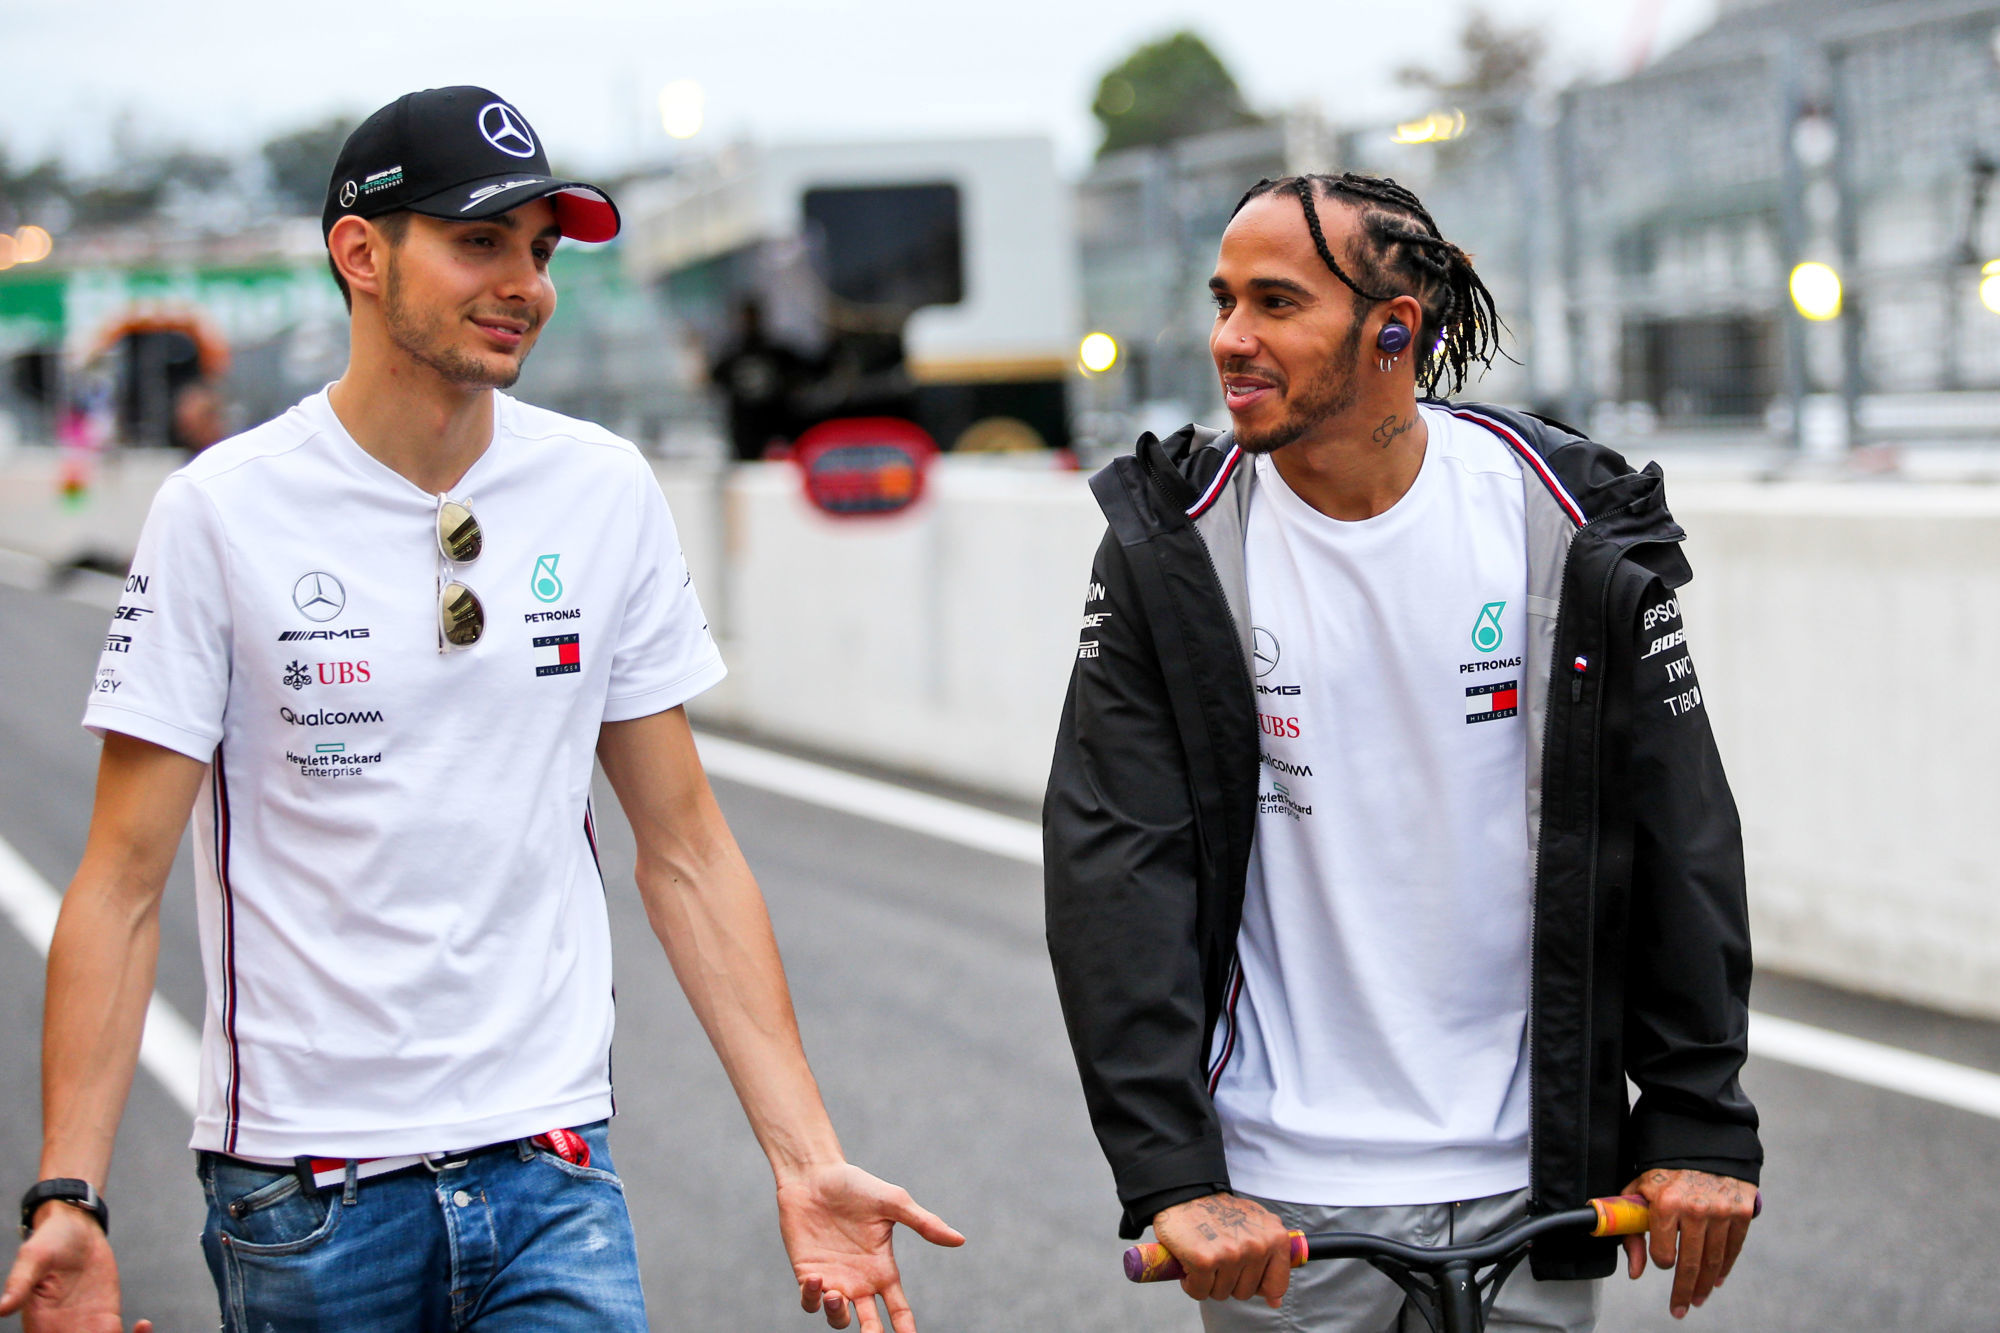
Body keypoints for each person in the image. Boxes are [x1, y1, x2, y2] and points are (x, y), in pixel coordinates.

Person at [2, 86, 959, 1333]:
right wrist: (68, 1194)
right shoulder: (221, 510)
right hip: (307, 1192)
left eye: (541, 250)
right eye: (480, 242)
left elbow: (685, 850)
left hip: (553, 1170)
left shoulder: (602, 491)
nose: (527, 284)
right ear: (361, 254)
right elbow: (121, 884)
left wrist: (802, 1153)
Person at [1043, 171, 1761, 1332]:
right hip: (1282, 1208)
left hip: (1532, 1181)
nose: (1230, 338)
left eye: (1275, 304)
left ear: (1393, 327)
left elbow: (1675, 828)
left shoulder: (1570, 526)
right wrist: (1171, 1173)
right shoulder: (1169, 549)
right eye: (1223, 300)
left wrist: (1696, 1119)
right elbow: (1112, 865)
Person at [711, 298, 816, 461]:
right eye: (745, 318)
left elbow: (808, 371)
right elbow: (713, 380)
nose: (748, 322)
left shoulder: (777, 352)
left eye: (751, 317)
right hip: (746, 426)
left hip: (777, 422)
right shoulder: (730, 355)